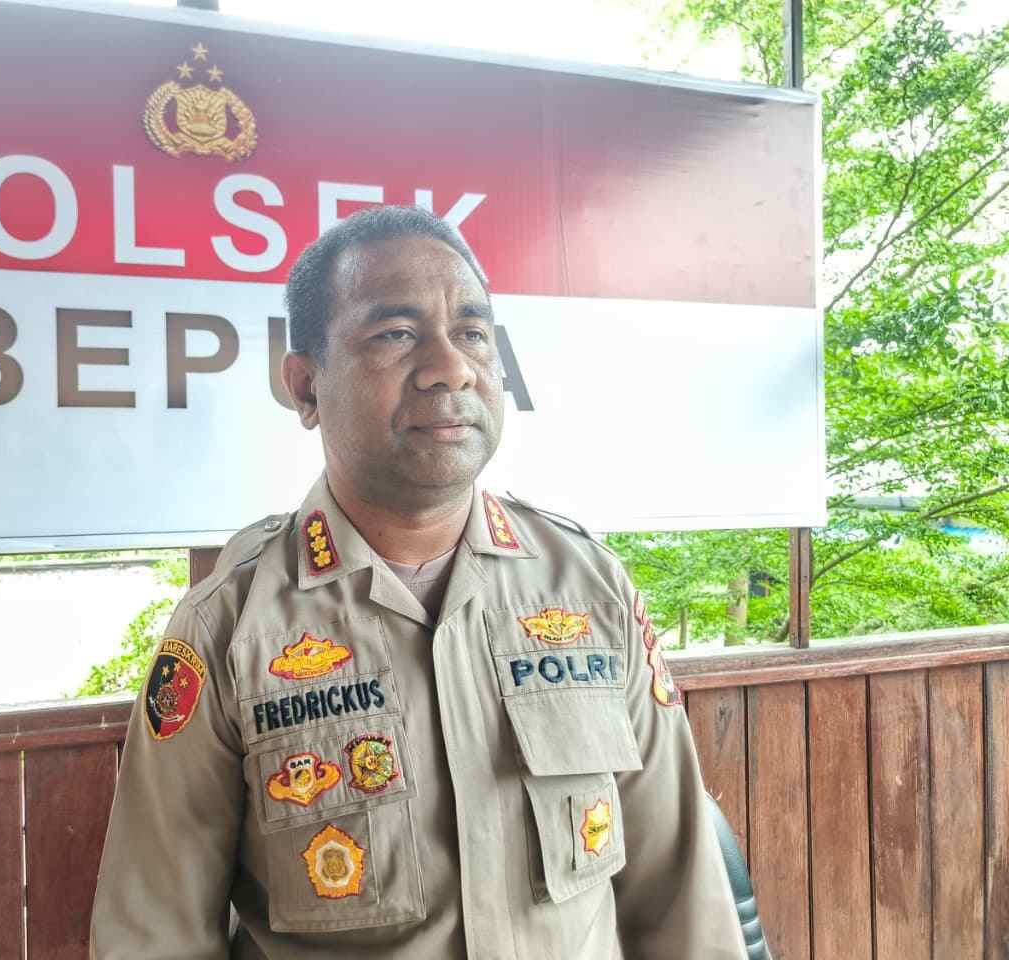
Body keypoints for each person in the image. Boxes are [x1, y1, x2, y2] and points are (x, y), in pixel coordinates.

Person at [90, 206, 747, 959]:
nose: (451, 367)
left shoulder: (587, 588)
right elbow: (154, 935)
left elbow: (681, 895)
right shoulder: (230, 625)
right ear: (306, 387)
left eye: (472, 333)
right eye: (397, 334)